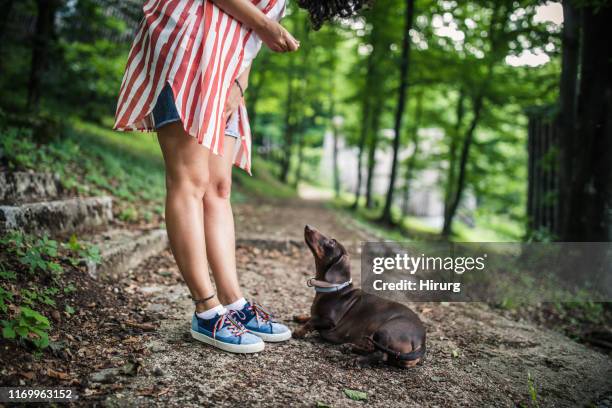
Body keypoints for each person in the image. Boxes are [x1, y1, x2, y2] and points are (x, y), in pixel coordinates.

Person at [114, 0, 370, 354]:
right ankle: (206, 310)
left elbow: (248, 42)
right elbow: (251, 24)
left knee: (219, 188)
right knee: (189, 181)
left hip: (227, 71)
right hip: (191, 48)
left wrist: (238, 84)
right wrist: (267, 26)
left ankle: (233, 303)